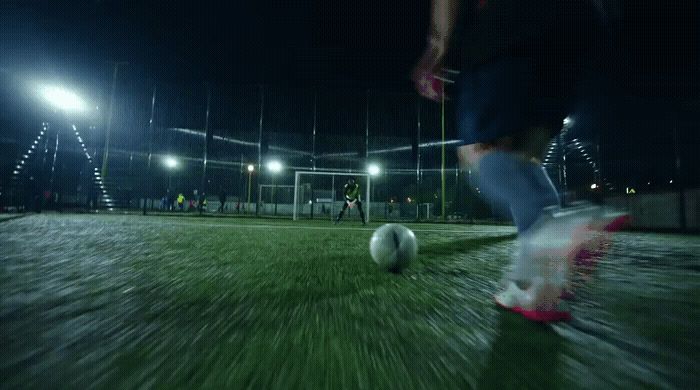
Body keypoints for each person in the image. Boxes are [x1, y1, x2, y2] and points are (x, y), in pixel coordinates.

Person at [413, 0, 627, 322]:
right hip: (581, 28)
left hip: (512, 24)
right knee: (523, 158)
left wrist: (438, 47)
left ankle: (563, 229)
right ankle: (532, 284)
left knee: (479, 151)